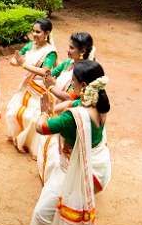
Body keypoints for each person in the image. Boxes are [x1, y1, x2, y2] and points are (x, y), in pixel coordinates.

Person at [30, 60, 112, 225]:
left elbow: (42, 128)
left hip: (74, 172)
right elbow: (72, 100)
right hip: (99, 167)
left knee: (42, 215)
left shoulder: (73, 117)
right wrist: (57, 95)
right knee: (63, 208)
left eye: (73, 82)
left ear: (83, 85)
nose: (70, 85)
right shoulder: (100, 102)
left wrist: (45, 111)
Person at [37, 32, 97, 181]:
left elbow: (72, 97)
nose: (68, 51)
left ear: (82, 52)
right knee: (51, 148)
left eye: (71, 48)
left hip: (71, 116)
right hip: (57, 108)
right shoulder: (67, 64)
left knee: (60, 151)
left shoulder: (85, 73)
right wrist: (46, 73)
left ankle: (63, 183)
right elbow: (51, 74)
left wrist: (51, 87)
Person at [5, 18, 58, 159]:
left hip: (40, 90)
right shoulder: (30, 45)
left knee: (32, 118)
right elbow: (15, 60)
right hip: (27, 87)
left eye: (38, 32)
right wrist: (16, 61)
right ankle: (18, 138)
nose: (34, 34)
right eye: (33, 31)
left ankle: (32, 146)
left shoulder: (50, 52)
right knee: (13, 110)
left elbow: (45, 72)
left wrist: (23, 64)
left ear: (47, 33)